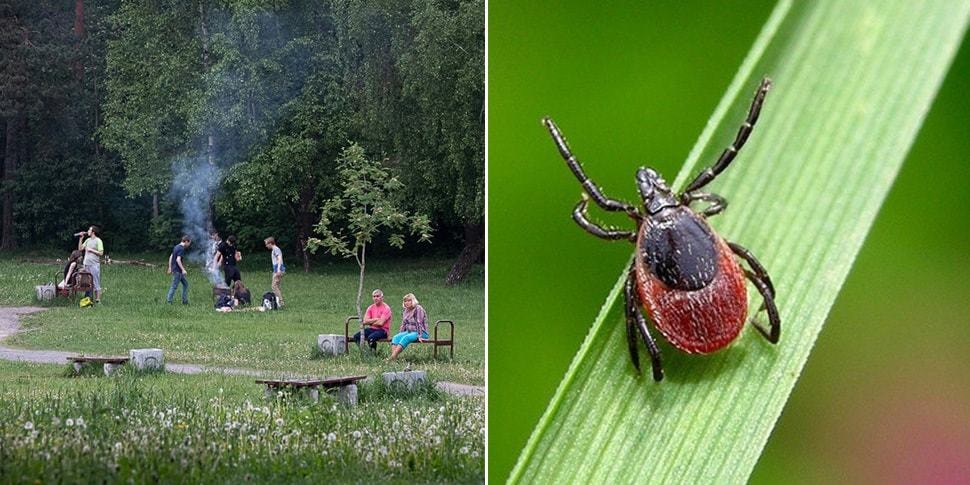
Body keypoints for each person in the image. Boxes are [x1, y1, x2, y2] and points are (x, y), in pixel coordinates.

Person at [389, 293, 429, 361]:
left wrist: (419, 336)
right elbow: (404, 324)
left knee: (406, 338)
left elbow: (418, 322)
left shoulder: (418, 308)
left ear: (413, 301)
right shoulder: (406, 310)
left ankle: (391, 358)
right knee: (396, 337)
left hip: (421, 332)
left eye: (409, 300)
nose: (406, 303)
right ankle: (394, 359)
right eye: (405, 301)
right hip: (410, 332)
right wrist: (400, 334)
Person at [77, 225, 104, 303]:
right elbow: (80, 249)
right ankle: (88, 298)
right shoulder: (88, 240)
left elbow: (101, 253)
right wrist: (81, 239)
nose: (88, 231)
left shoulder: (98, 240)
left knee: (96, 282)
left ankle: (98, 300)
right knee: (86, 282)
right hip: (86, 264)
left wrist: (91, 250)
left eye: (89, 230)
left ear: (93, 232)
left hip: (94, 265)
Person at [166, 236, 191, 304]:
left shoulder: (176, 246)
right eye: (189, 243)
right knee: (174, 286)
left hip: (175, 269)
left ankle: (184, 301)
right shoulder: (181, 249)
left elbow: (171, 256)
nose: (189, 245)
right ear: (186, 241)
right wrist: (183, 270)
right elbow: (178, 260)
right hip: (178, 271)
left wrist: (170, 267)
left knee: (185, 284)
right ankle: (169, 301)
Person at [264, 237, 284, 307]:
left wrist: (278, 269)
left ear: (270, 243)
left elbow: (279, 259)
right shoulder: (274, 250)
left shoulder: (276, 249)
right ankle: (276, 301)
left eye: (266, 244)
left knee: (274, 286)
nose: (266, 246)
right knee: (277, 286)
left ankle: (280, 302)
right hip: (276, 269)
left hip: (278, 270)